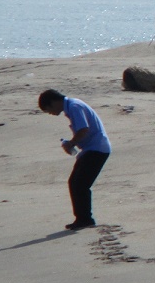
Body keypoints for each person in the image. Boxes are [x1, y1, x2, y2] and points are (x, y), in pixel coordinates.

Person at [38, 89, 111, 230]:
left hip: (97, 149)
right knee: (75, 182)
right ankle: (82, 218)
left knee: (80, 184)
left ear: (53, 102)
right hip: (92, 149)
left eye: (48, 110)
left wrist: (71, 143)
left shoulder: (74, 106)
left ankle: (85, 219)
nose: (51, 114)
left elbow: (84, 129)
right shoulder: (72, 106)